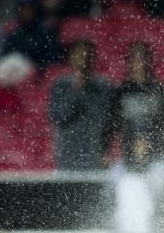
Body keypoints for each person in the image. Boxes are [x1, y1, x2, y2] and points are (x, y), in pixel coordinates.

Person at [110, 42, 164, 233]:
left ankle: (161, 229)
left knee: (156, 198)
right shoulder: (121, 92)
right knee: (123, 195)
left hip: (157, 161)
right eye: (135, 59)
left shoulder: (160, 91)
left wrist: (156, 147)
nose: (139, 64)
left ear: (150, 62)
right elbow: (110, 126)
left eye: (143, 59)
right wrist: (106, 150)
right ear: (129, 63)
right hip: (128, 162)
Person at [48, 41, 116, 170]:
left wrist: (107, 150)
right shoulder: (61, 85)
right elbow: (58, 117)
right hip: (68, 155)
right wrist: (75, 90)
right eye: (78, 54)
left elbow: (108, 122)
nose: (83, 59)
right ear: (71, 58)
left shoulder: (104, 86)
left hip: (95, 155)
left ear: (93, 58)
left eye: (86, 54)